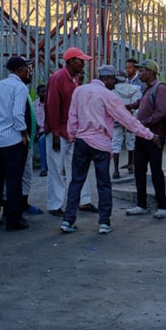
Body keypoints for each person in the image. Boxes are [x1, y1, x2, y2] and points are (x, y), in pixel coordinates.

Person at [60, 65, 159, 235]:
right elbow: (127, 120)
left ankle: (68, 220)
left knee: (76, 181)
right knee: (104, 183)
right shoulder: (108, 95)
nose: (116, 84)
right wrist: (149, 135)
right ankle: (104, 222)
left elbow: (72, 116)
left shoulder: (79, 91)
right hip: (100, 143)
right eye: (114, 80)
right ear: (106, 79)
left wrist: (72, 136)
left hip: (81, 141)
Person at [0, 56, 33, 231]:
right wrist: (24, 133)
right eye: (27, 68)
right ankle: (14, 219)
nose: (29, 71)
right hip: (13, 140)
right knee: (13, 180)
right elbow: (18, 114)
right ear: (19, 69)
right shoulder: (20, 88)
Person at [45, 47, 96, 216]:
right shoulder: (58, 78)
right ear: (71, 61)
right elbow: (52, 107)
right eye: (80, 60)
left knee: (78, 167)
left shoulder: (75, 79)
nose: (83, 64)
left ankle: (84, 201)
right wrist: (55, 134)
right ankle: (55, 205)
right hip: (59, 132)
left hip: (72, 131)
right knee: (57, 169)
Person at [126, 59, 166, 219]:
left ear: (151, 72)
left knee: (156, 171)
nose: (140, 73)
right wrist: (131, 106)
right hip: (143, 135)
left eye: (143, 71)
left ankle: (162, 206)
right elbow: (142, 103)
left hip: (154, 136)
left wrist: (141, 123)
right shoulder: (148, 89)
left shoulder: (160, 89)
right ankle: (141, 204)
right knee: (139, 170)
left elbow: (161, 112)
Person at [111, 70, 141, 179]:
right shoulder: (134, 89)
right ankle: (131, 165)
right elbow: (137, 106)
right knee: (131, 141)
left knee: (116, 142)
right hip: (129, 118)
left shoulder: (112, 90)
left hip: (116, 119)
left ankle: (115, 170)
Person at [34, 84, 48, 176]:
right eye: (42, 91)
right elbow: (33, 119)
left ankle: (44, 168)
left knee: (42, 140)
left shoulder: (50, 103)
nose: (44, 93)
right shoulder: (34, 104)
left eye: (45, 91)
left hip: (48, 130)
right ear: (38, 93)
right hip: (38, 131)